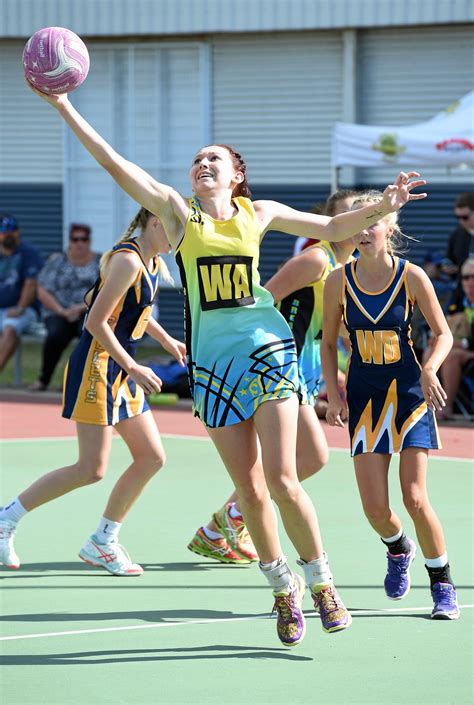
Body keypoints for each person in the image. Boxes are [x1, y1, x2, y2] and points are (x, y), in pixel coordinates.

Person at [26, 83, 426, 647]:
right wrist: (64, 106)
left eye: (212, 158)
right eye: (195, 160)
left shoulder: (258, 213)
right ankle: (282, 589)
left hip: (266, 350)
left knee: (285, 479)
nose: (201, 165)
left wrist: (386, 203)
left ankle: (322, 583)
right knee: (251, 487)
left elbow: (335, 230)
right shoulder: (177, 213)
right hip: (213, 369)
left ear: (236, 173)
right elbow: (115, 163)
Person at [0, 208, 186, 576]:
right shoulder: (128, 261)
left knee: (151, 457)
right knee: (91, 468)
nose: (177, 241)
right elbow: (96, 321)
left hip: (121, 369)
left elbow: (137, 313)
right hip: (97, 368)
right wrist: (133, 366)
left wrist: (168, 342)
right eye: (174, 232)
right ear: (153, 223)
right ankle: (6, 519)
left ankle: (102, 540)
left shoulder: (151, 261)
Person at [187, 189, 357, 567]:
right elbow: (265, 298)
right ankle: (228, 521)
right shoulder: (315, 260)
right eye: (351, 214)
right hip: (278, 366)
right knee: (311, 457)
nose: (360, 222)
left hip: (306, 370)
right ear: (331, 222)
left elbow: (335, 325)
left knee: (305, 460)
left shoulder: (349, 268)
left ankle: (220, 527)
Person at [321, 190, 460, 621]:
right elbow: (327, 342)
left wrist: (431, 368)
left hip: (410, 395)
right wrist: (333, 393)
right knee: (376, 509)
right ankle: (399, 548)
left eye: (373, 220)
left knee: (415, 497)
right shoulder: (337, 280)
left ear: (390, 227)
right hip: (364, 397)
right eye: (357, 221)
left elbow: (444, 334)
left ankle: (442, 584)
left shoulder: (412, 276)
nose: (363, 230)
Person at [29, 223, 101, 391]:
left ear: (89, 241)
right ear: (69, 241)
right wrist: (62, 311)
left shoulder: (100, 262)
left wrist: (80, 308)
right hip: (58, 311)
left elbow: (104, 290)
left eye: (83, 239)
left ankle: (74, 381)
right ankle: (43, 380)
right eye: (75, 239)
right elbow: (42, 289)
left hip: (88, 310)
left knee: (86, 335)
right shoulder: (57, 260)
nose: (79, 243)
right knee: (55, 335)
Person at [0, 214, 43, 373]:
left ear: (18, 232)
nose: (8, 234)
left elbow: (31, 284)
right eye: (4, 231)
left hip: (24, 308)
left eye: (12, 231)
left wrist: (20, 307)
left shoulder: (28, 252)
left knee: (10, 328)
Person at [437, 257, 474, 418]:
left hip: (467, 350)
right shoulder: (456, 301)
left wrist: (464, 343)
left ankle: (447, 406)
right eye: (466, 277)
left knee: (452, 356)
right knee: (431, 351)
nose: (470, 281)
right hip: (459, 347)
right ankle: (425, 404)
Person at [445, 192, 474, 276]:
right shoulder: (456, 235)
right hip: (462, 287)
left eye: (465, 217)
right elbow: (449, 259)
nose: (461, 221)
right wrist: (448, 267)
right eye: (458, 217)